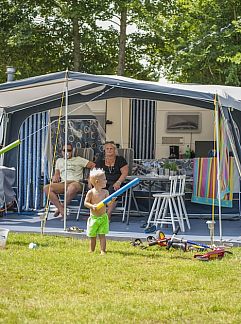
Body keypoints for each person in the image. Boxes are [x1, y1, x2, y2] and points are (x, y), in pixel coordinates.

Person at [43, 143, 95, 219]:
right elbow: (57, 172)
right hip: (63, 183)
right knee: (46, 188)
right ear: (62, 152)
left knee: (72, 187)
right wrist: (56, 175)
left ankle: (61, 209)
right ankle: (61, 209)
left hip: (77, 183)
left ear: (72, 151)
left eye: (69, 150)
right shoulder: (59, 161)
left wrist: (90, 178)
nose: (67, 152)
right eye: (65, 150)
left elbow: (93, 165)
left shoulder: (78, 159)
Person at [95, 141, 128, 219]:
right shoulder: (100, 161)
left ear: (115, 150)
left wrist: (119, 182)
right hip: (104, 182)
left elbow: (125, 173)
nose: (109, 150)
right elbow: (95, 172)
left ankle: (107, 215)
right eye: (107, 149)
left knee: (112, 191)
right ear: (104, 151)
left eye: (111, 148)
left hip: (116, 183)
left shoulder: (120, 160)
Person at [84, 168, 110, 255]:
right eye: (104, 179)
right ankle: (91, 250)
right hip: (93, 218)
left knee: (102, 235)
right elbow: (86, 203)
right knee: (92, 236)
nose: (106, 181)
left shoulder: (105, 192)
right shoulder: (91, 192)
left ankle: (103, 250)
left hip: (103, 217)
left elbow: (108, 204)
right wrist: (92, 206)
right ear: (97, 181)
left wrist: (112, 201)